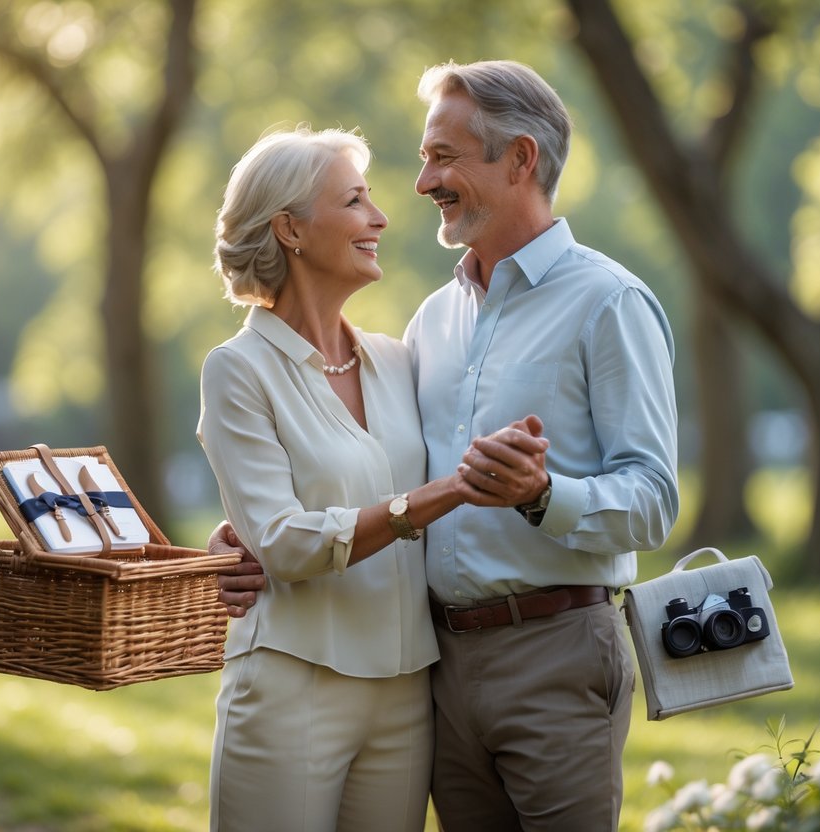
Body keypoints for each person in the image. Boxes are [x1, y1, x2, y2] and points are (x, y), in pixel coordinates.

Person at [215, 60, 679, 830]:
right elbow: (368, 465)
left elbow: (654, 502)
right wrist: (254, 538)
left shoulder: (608, 302)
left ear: (520, 159)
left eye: (443, 157)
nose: (421, 180)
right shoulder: (428, 325)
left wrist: (542, 495)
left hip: (555, 650)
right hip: (435, 668)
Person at [198, 127, 549, 832]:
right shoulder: (237, 369)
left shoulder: (397, 359)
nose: (381, 218)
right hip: (292, 684)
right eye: (355, 201)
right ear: (291, 229)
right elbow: (285, 543)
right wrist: (446, 490)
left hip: (404, 692)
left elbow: (302, 520)